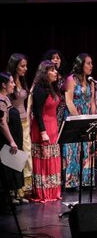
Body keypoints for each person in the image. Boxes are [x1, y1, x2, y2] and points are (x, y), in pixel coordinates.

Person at [61, 53, 96, 190]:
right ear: (81, 64)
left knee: (87, 149)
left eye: (91, 63)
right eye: (88, 63)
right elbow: (69, 100)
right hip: (74, 117)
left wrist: (92, 119)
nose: (91, 66)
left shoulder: (91, 81)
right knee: (74, 149)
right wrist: (78, 120)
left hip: (87, 118)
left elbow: (92, 101)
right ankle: (73, 181)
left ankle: (86, 181)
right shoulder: (71, 79)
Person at [29, 61, 62, 202]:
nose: (56, 72)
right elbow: (37, 112)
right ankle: (44, 192)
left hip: (53, 126)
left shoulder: (51, 88)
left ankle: (53, 191)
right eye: (52, 70)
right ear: (45, 73)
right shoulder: (39, 90)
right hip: (43, 127)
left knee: (52, 158)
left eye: (55, 70)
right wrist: (43, 132)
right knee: (44, 159)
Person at [7, 53, 33, 197]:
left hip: (25, 122)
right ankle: (14, 190)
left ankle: (23, 190)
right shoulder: (8, 82)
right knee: (16, 156)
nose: (25, 69)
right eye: (22, 66)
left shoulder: (22, 82)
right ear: (15, 66)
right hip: (14, 124)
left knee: (27, 155)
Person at [0, 72, 27, 205]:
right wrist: (11, 141)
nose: (13, 84)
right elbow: (2, 122)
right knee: (6, 172)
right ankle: (7, 200)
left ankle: (14, 195)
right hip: (5, 141)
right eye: (10, 82)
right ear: (3, 85)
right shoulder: (0, 100)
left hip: (13, 137)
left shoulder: (5, 98)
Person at [41, 49, 69, 127]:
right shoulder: (46, 78)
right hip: (51, 109)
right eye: (53, 58)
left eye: (58, 58)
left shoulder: (64, 77)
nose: (56, 60)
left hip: (63, 110)